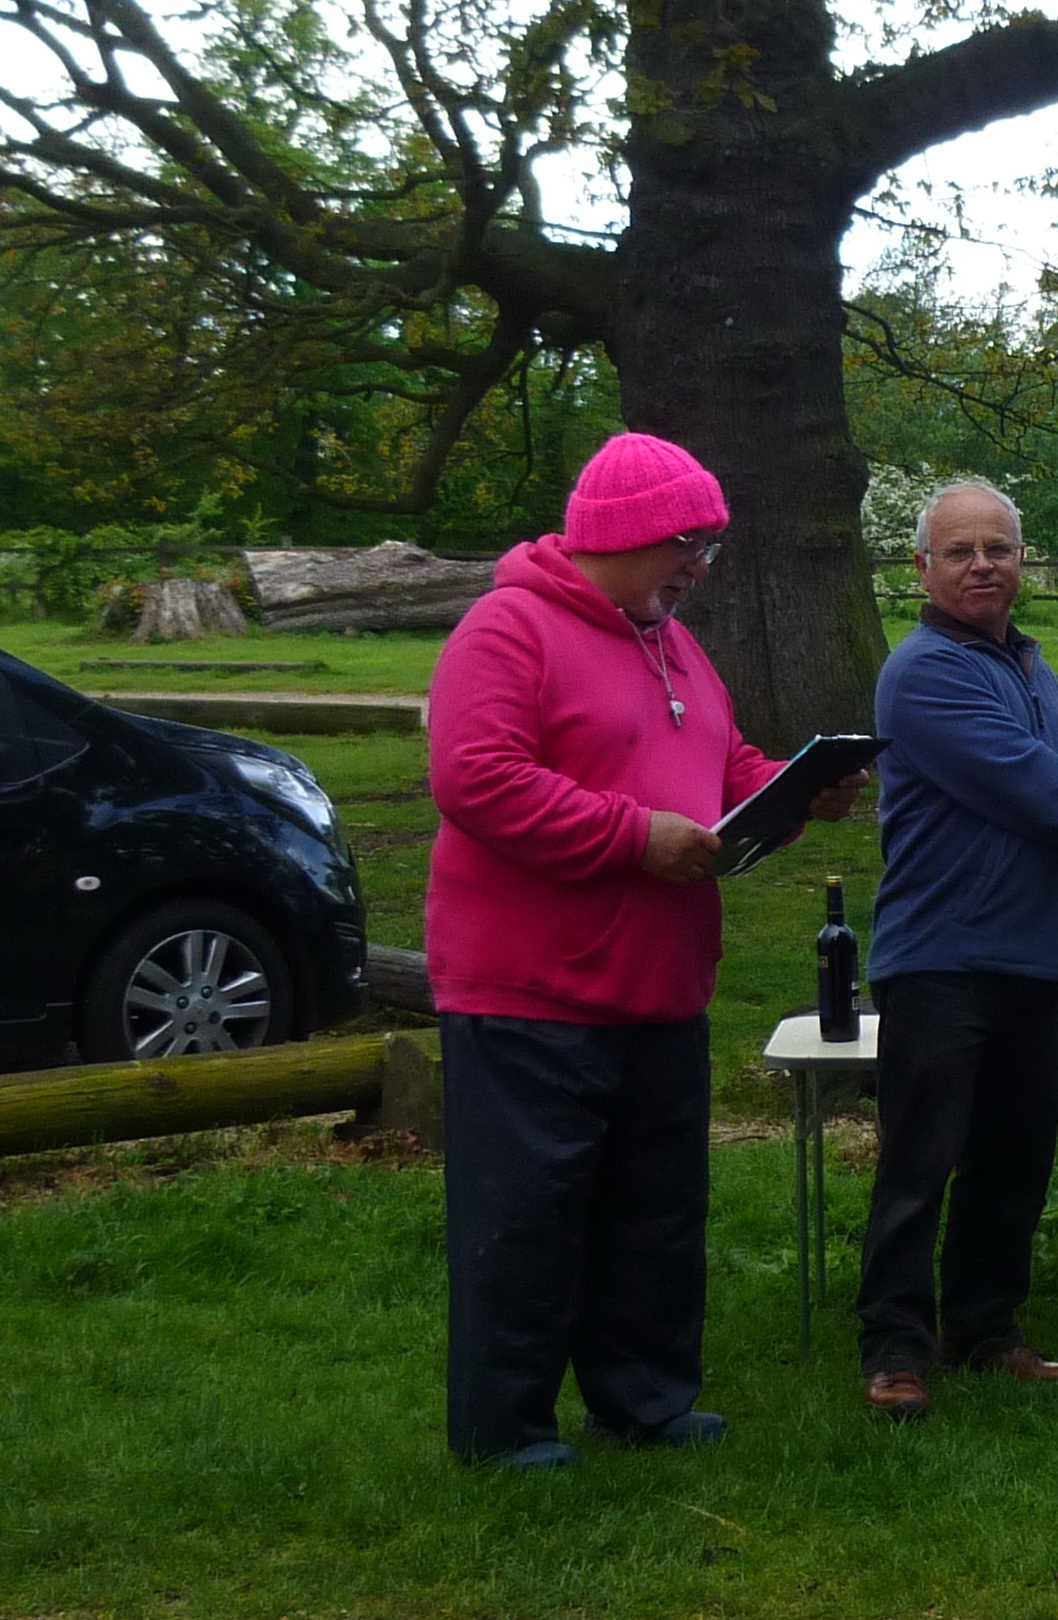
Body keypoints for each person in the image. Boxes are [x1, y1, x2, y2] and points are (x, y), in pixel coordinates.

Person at [426, 431, 864, 1469]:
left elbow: (721, 764)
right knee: (528, 1216)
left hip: (660, 984)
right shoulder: (509, 628)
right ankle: (506, 1430)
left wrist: (795, 790)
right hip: (532, 989)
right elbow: (478, 778)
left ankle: (646, 1401)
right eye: (688, 545)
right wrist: (634, 837)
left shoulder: (672, 641)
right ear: (622, 536)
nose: (701, 569)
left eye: (708, 547)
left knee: (655, 1211)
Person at [857, 479, 1058, 1421]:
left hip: (1031, 954)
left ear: (1022, 560)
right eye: (960, 551)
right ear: (923, 567)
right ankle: (894, 1348)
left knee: (1013, 1160)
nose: (982, 565)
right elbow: (1025, 784)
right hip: (941, 956)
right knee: (919, 1163)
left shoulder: (1028, 663)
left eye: (998, 548)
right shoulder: (923, 672)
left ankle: (985, 1328)